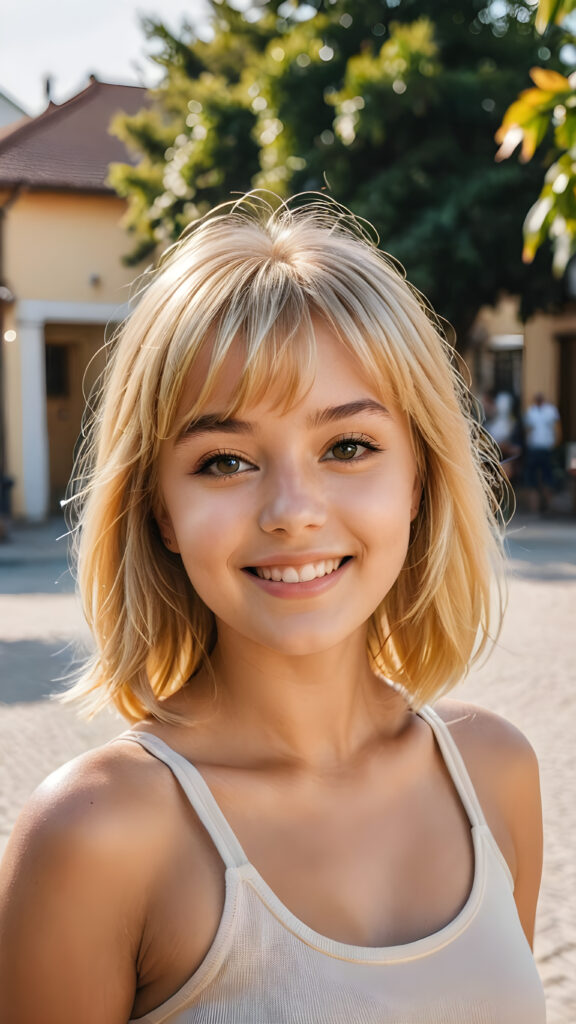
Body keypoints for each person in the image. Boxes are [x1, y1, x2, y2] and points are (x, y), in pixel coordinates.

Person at [0, 195, 545, 1023]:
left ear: (420, 481)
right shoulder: (95, 838)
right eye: (224, 460)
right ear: (158, 510)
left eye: (348, 447)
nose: (294, 510)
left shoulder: (497, 775)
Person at [524, 391, 562, 513]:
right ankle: (535, 508)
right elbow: (528, 429)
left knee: (547, 477)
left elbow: (557, 428)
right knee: (533, 479)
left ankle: (549, 507)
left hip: (546, 448)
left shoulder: (550, 410)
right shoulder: (531, 411)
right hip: (534, 448)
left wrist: (556, 443)